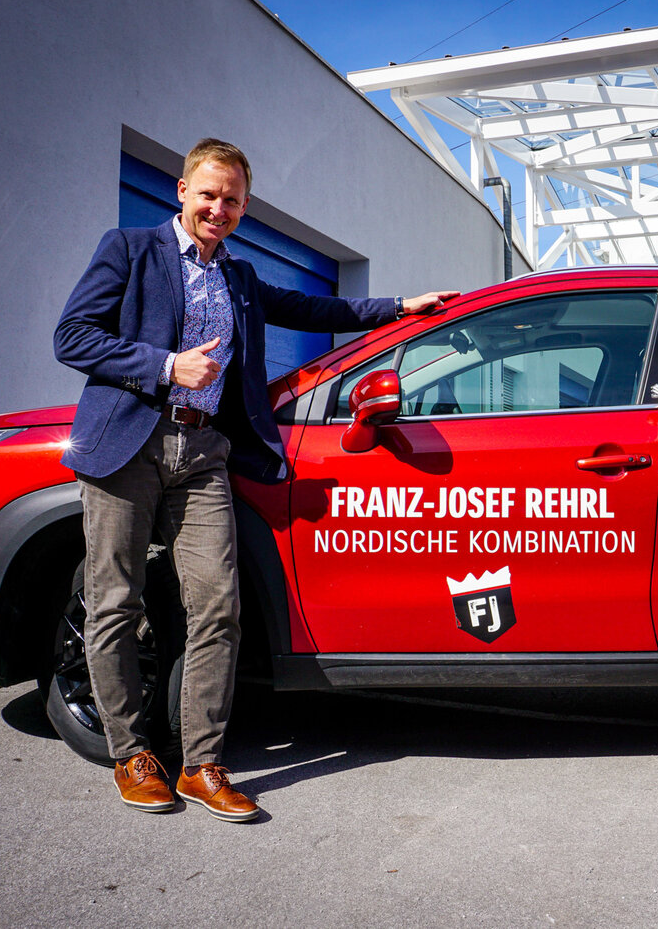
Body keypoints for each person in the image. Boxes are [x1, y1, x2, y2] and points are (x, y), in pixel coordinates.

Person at [54, 138, 456, 821]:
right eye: (208, 194)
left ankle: (201, 764)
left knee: (219, 606)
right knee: (116, 601)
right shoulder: (128, 248)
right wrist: (163, 365)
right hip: (129, 442)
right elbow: (73, 336)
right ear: (181, 191)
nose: (219, 208)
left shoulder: (237, 277)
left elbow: (313, 309)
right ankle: (131, 752)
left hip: (205, 450)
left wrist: (399, 308)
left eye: (233, 199)